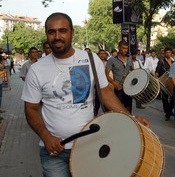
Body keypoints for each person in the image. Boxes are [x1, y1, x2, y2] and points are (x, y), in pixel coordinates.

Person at [21, 12, 149, 177]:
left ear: (72, 32)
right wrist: (46, 137)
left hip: (90, 146)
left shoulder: (90, 59)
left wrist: (130, 119)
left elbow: (106, 94)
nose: (57, 36)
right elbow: (30, 109)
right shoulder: (37, 69)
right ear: (46, 34)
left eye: (62, 30)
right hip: (54, 152)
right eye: (52, 32)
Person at [106, 40, 133, 113]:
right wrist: (114, 83)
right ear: (119, 48)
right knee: (118, 110)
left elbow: (133, 72)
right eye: (123, 48)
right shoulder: (112, 60)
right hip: (118, 89)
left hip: (128, 88)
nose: (125, 50)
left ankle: (129, 123)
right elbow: (106, 74)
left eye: (126, 48)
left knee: (128, 109)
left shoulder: (129, 59)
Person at [155, 47, 174, 121]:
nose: (168, 54)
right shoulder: (161, 61)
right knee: (165, 99)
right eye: (167, 52)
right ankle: (167, 114)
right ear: (165, 53)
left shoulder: (174, 61)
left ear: (171, 53)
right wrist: (156, 78)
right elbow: (157, 70)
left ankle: (169, 110)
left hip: (172, 82)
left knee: (173, 98)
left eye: (170, 52)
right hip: (163, 82)